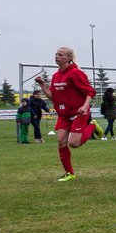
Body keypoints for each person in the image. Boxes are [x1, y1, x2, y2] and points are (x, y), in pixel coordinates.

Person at [35, 47, 103, 181]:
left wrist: (85, 105)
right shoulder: (56, 76)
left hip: (79, 112)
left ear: (68, 58)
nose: (56, 57)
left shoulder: (76, 73)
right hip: (64, 114)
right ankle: (69, 173)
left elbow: (90, 91)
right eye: (56, 54)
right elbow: (52, 97)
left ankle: (92, 126)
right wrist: (42, 84)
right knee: (61, 141)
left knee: (74, 143)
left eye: (60, 55)